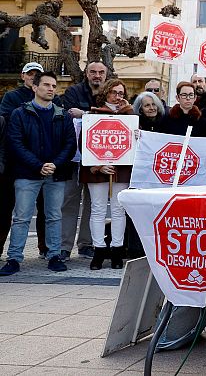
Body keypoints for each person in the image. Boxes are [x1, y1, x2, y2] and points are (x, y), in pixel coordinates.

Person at [0, 71, 76, 275]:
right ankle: (14, 259)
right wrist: (38, 165)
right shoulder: (19, 113)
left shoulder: (63, 115)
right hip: (27, 173)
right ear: (34, 87)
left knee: (54, 216)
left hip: (55, 174)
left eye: (54, 86)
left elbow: (70, 144)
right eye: (46, 85)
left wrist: (55, 164)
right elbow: (15, 143)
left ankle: (54, 256)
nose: (51, 89)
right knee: (21, 217)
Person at [80, 80, 135, 270]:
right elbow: (84, 142)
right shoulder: (94, 114)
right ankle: (99, 250)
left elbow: (135, 140)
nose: (117, 97)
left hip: (122, 168)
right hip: (98, 168)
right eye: (114, 92)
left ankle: (117, 250)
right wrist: (98, 165)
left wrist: (129, 112)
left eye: (121, 93)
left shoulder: (129, 115)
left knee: (119, 210)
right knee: (98, 209)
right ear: (106, 93)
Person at [0, 62, 51, 258]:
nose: (33, 77)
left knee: (45, 210)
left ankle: (45, 249)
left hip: (43, 163)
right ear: (23, 76)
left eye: (37, 75)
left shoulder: (51, 99)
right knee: (7, 208)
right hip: (15, 163)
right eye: (30, 74)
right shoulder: (11, 97)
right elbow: (11, 124)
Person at [60, 62, 109, 262]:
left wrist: (86, 114)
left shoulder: (110, 93)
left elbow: (112, 118)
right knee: (69, 202)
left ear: (106, 75)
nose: (97, 75)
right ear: (86, 74)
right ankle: (64, 247)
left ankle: (86, 245)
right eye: (93, 72)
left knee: (93, 204)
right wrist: (95, 114)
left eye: (101, 72)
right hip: (74, 157)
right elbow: (69, 114)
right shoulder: (73, 91)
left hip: (98, 159)